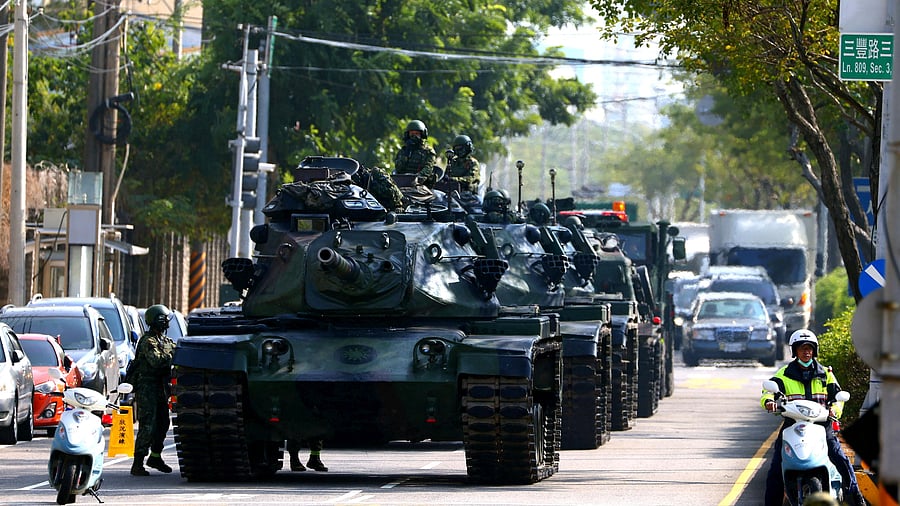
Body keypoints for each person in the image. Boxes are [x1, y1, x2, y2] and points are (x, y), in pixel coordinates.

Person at [760, 329, 866, 506]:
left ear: (814, 351)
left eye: (809, 348)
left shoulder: (826, 374)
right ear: (795, 351)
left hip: (822, 426)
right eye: (802, 348)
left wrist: (834, 410)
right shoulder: (783, 374)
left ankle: (856, 496)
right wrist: (769, 402)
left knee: (840, 457)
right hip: (792, 425)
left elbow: (838, 397)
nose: (806, 352)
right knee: (776, 468)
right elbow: (768, 392)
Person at [130, 304, 177, 476]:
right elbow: (156, 361)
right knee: (148, 425)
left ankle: (155, 457)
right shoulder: (147, 341)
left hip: (159, 388)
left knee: (164, 423)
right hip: (147, 387)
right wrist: (172, 356)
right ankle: (137, 463)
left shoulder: (164, 341)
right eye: (163, 318)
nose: (166, 322)